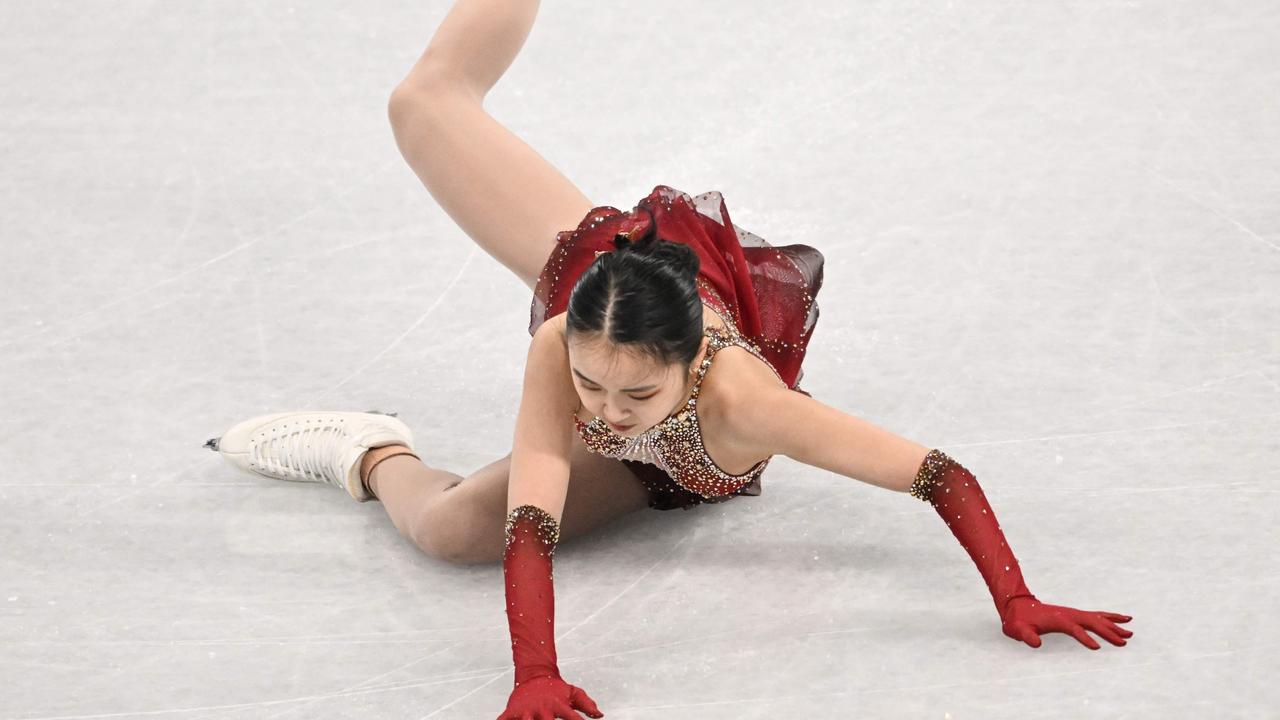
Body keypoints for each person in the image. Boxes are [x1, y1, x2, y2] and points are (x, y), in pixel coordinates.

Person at [205, 1, 1134, 718]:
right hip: (620, 304)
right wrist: (538, 671)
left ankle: (367, 451)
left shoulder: (750, 407)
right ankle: (376, 444)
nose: (602, 414)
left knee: (451, 535)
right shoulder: (563, 344)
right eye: (588, 382)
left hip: (687, 469)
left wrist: (1017, 597)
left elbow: (937, 472)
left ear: (688, 367)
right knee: (420, 104)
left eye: (634, 392)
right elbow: (533, 514)